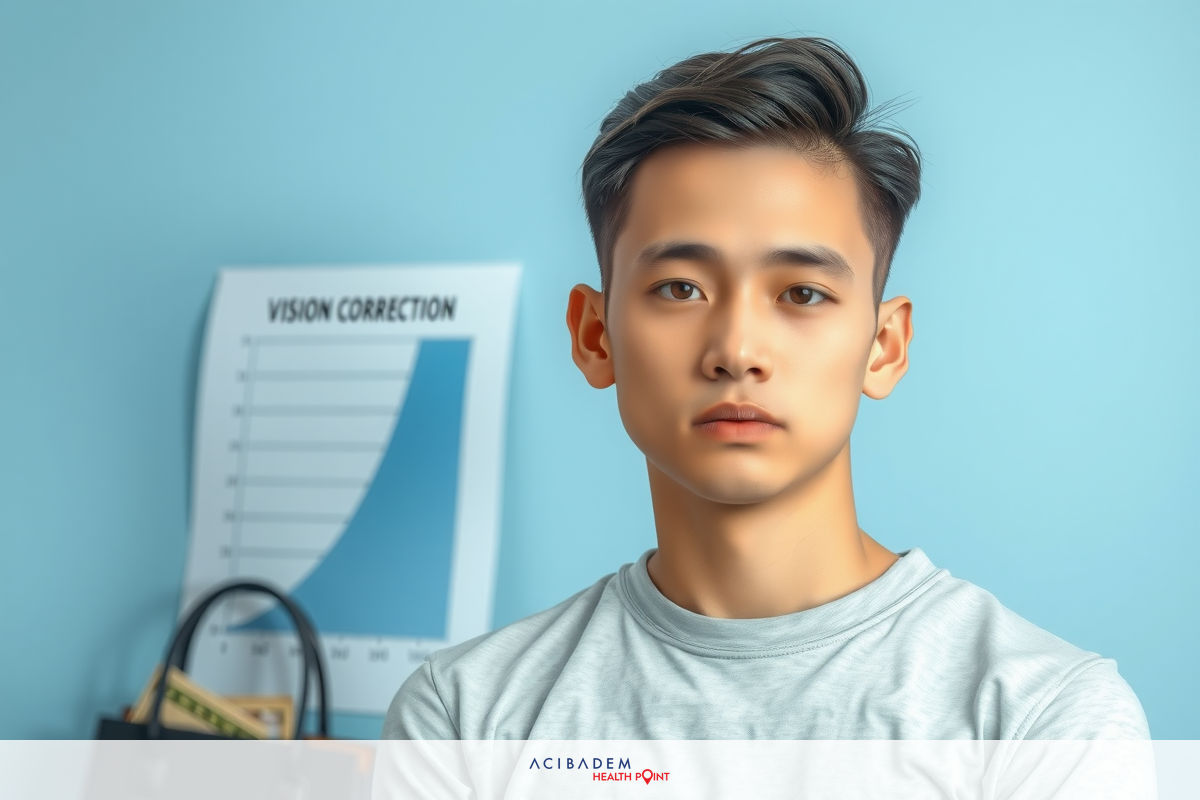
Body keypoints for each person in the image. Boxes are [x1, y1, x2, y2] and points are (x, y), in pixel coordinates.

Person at [381, 36, 1147, 742]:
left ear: (883, 347)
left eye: (802, 294)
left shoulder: (1044, 717)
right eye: (680, 288)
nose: (736, 351)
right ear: (595, 336)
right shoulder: (465, 715)